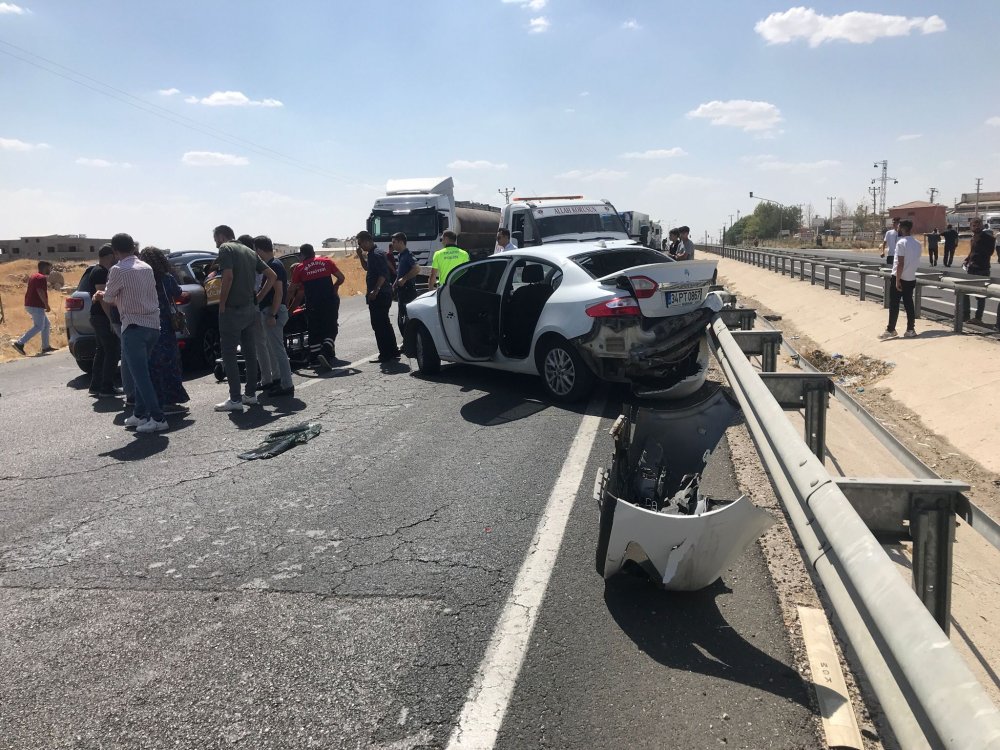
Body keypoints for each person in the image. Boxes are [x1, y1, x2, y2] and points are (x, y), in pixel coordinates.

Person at [95, 233, 168, 434]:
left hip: (134, 326)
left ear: (116, 252)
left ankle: (158, 418)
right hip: (153, 325)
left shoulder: (118, 269)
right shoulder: (146, 267)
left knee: (140, 376)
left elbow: (109, 298)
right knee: (140, 373)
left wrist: (101, 295)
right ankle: (139, 413)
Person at [212, 224, 277, 412]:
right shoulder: (249, 251)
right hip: (251, 309)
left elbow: (228, 277)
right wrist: (258, 297)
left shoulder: (226, 249)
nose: (216, 244)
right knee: (250, 353)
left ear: (221, 236)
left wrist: (222, 303)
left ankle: (235, 398)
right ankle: (250, 394)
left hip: (233, 310)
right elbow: (271, 276)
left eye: (216, 240)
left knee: (230, 354)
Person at [139, 247, 190, 413]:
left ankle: (154, 400)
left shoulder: (142, 278)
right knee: (170, 361)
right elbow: (178, 292)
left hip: (146, 322)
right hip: (166, 324)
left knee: (151, 364)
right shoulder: (166, 278)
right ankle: (171, 400)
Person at [287, 243, 344, 370]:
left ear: (302, 255)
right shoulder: (326, 261)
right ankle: (325, 351)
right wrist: (335, 287)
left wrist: (287, 308)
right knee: (331, 328)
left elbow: (293, 291)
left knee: (314, 330)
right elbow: (341, 277)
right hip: (329, 302)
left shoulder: (300, 268)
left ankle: (314, 359)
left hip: (313, 304)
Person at [253, 235, 294, 397]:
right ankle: (278, 381)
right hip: (270, 310)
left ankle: (287, 384)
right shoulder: (272, 265)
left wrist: (273, 314)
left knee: (278, 351)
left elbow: (279, 292)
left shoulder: (274, 266)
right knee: (273, 349)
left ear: (259, 250)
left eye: (255, 250)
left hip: (273, 311)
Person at [83, 245, 121, 397]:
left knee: (102, 351)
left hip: (98, 317)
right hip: (102, 318)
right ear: (110, 255)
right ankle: (106, 387)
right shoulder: (100, 272)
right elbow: (102, 299)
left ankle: (96, 386)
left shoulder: (98, 271)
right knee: (112, 351)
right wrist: (111, 320)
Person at [356, 230, 400, 362]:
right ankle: (392, 351)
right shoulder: (372, 254)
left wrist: (375, 291)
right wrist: (360, 256)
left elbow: (383, 274)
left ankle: (386, 354)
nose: (360, 246)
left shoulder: (376, 254)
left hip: (380, 295)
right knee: (384, 323)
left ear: (367, 241)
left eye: (360, 243)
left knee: (379, 324)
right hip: (381, 294)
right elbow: (367, 268)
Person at [879, 220, 922, 339]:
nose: (897, 229)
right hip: (911, 278)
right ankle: (910, 329)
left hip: (900, 278)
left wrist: (897, 280)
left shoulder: (901, 243)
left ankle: (891, 329)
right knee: (909, 304)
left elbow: (900, 263)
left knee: (894, 304)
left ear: (902, 228)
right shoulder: (918, 243)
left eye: (898, 227)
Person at [12, 260, 55, 356]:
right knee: (39, 326)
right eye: (49, 268)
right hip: (36, 305)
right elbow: (40, 291)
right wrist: (46, 305)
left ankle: (45, 347)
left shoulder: (34, 276)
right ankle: (19, 343)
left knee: (46, 324)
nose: (50, 270)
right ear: (44, 268)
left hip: (30, 304)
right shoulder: (41, 278)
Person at [961, 217, 997, 323]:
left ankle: (978, 318)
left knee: (980, 295)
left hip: (982, 269)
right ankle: (965, 315)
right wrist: (967, 260)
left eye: (978, 225)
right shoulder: (973, 238)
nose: (976, 227)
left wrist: (979, 241)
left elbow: (988, 253)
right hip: (971, 269)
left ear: (982, 225)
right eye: (974, 225)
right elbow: (972, 252)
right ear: (971, 226)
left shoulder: (988, 238)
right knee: (964, 292)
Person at [390, 232, 421, 339]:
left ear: (401, 242)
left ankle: (410, 343)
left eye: (394, 242)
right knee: (401, 319)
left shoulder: (408, 255)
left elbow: (417, 268)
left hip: (408, 291)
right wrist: (394, 285)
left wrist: (405, 278)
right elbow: (400, 273)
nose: (392, 244)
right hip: (402, 291)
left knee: (407, 319)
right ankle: (407, 342)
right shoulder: (400, 255)